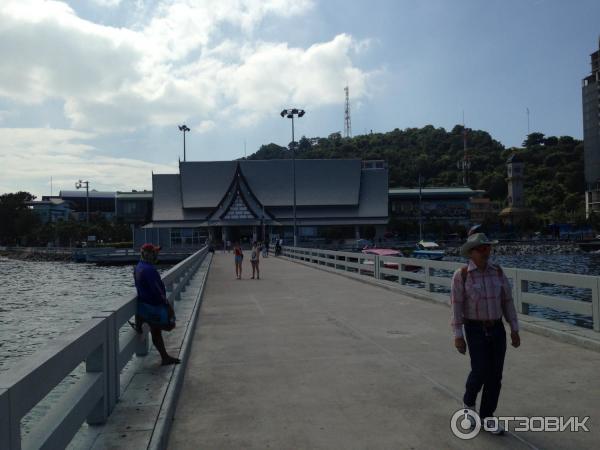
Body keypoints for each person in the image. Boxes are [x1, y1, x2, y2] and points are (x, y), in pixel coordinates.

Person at [450, 233, 520, 435]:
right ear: (471, 252)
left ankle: (487, 417)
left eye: (488, 248)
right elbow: (456, 308)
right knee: (480, 369)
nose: (486, 252)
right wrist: (458, 335)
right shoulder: (461, 275)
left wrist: (514, 329)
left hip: (497, 329)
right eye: (481, 248)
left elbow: (507, 302)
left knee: (495, 375)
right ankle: (468, 406)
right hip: (475, 329)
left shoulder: (497, 272)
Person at [133, 243, 180, 366]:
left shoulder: (139, 267)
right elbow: (157, 291)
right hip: (153, 306)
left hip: (144, 306)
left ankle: (165, 357)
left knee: (156, 331)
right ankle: (165, 357)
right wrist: (168, 307)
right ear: (148, 254)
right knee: (167, 326)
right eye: (155, 252)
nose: (157, 254)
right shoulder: (149, 270)